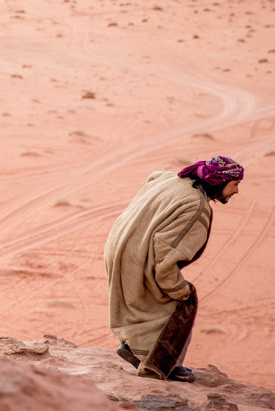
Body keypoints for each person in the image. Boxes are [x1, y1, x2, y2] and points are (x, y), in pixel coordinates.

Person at [104, 156, 244, 383]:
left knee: (150, 303)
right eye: (234, 184)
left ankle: (133, 348)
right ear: (218, 182)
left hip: (118, 246)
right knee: (184, 302)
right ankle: (161, 365)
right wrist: (180, 290)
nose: (237, 191)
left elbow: (153, 176)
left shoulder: (170, 179)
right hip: (138, 257)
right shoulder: (196, 207)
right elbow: (165, 264)